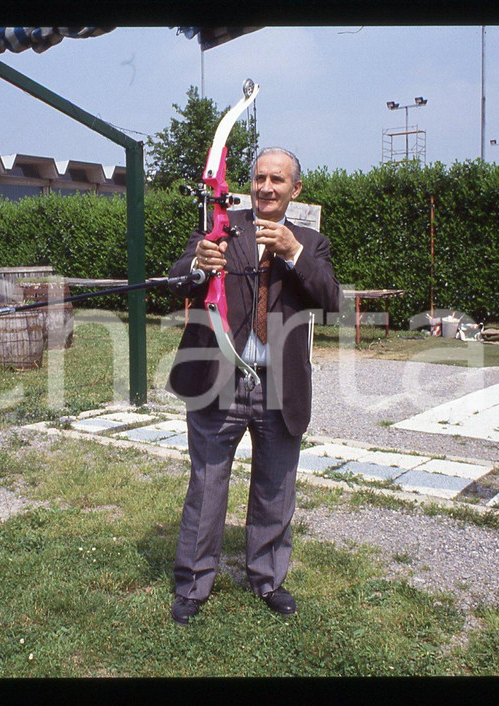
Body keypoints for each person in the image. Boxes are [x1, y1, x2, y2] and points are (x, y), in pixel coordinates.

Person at [166, 147, 340, 624]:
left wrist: (293, 252)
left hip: (278, 385)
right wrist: (199, 265)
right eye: (260, 178)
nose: (266, 187)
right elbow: (179, 280)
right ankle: (194, 583)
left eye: (277, 180)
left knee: (275, 488)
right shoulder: (222, 226)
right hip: (218, 377)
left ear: (294, 189)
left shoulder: (310, 242)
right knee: (207, 484)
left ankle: (267, 579)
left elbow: (330, 301)